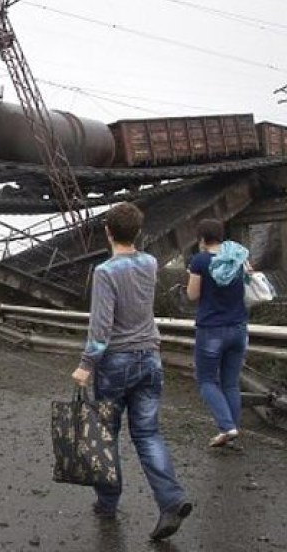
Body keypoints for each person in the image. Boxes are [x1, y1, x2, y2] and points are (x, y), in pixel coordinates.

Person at [71, 202, 191, 541]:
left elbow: (101, 328)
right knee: (148, 434)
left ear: (108, 231)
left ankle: (107, 503)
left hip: (116, 364)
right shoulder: (150, 263)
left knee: (105, 434)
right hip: (150, 359)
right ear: (138, 232)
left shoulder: (106, 272)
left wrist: (85, 365)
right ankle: (171, 500)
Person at [186, 218, 249, 448]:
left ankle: (226, 426)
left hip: (212, 329)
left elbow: (192, 295)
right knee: (230, 384)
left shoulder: (200, 261)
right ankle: (231, 434)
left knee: (206, 381)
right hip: (238, 328)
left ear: (202, 238)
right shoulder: (236, 258)